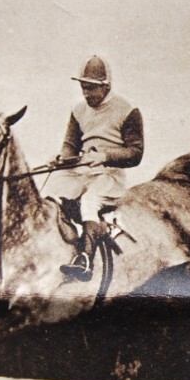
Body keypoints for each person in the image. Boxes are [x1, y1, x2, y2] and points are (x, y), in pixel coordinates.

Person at [41, 56, 144, 280]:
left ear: (106, 86)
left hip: (109, 175)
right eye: (83, 88)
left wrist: (105, 157)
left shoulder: (128, 110)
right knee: (50, 195)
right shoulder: (78, 110)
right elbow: (70, 147)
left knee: (89, 202)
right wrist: (60, 159)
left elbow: (136, 153)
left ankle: (85, 260)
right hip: (81, 172)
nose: (86, 94)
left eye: (91, 88)